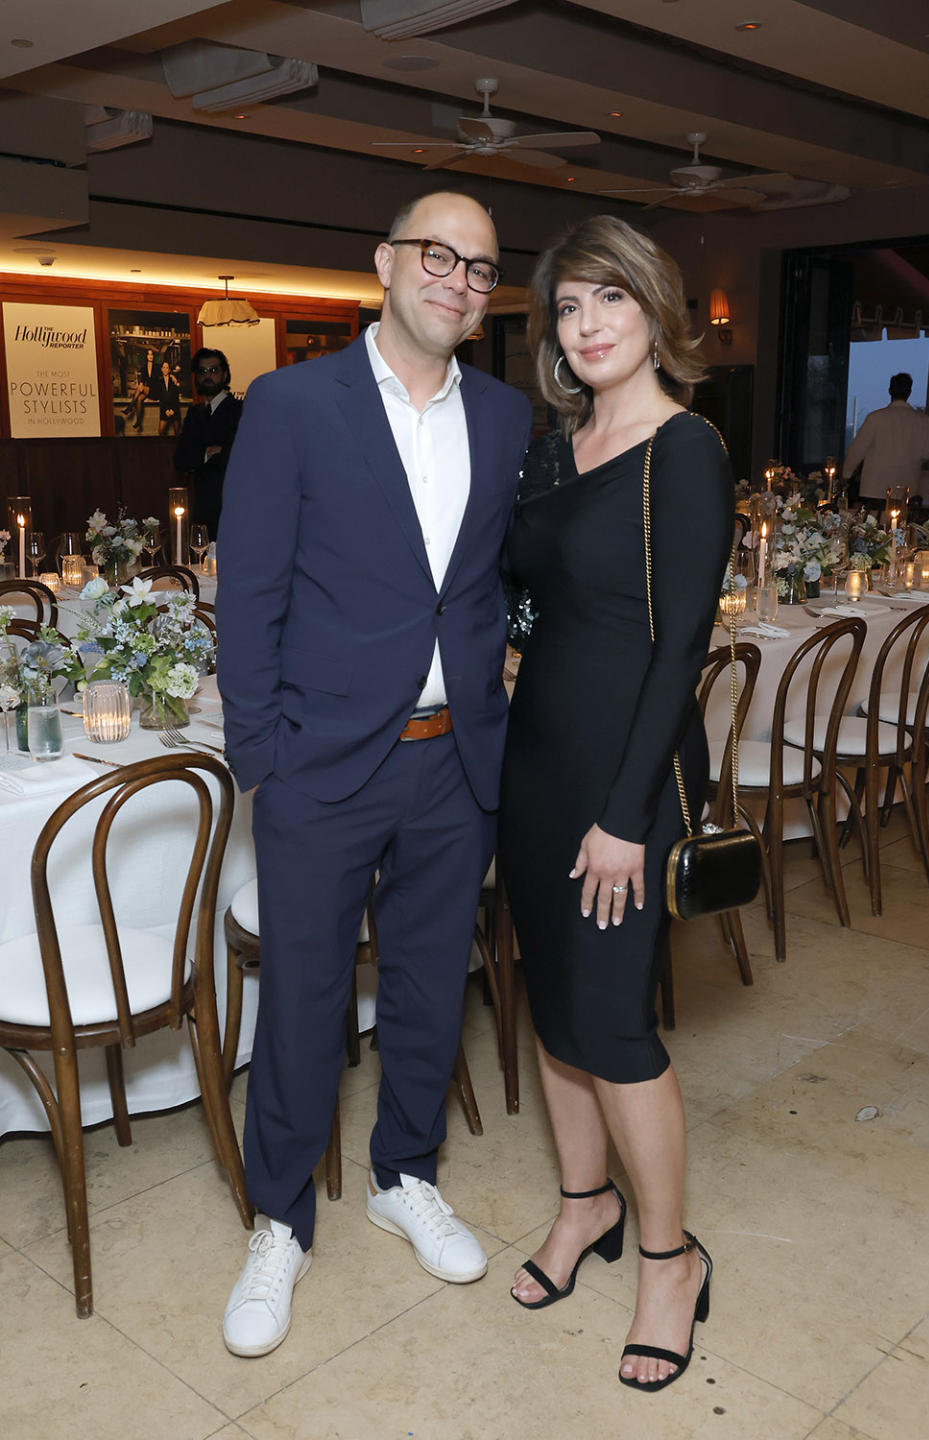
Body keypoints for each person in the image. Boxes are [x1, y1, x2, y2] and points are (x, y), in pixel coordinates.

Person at [216, 192, 531, 1357]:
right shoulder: (294, 403)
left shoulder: (503, 417)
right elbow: (247, 594)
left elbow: (494, 581)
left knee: (425, 985)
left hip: (454, 764)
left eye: (482, 268)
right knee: (300, 998)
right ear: (386, 262)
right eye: (438, 256)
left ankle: (406, 1173)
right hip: (323, 766)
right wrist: (268, 762)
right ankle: (280, 1221)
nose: (459, 279)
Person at [498, 215, 732, 1394]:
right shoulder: (554, 450)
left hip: (622, 778)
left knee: (617, 1029)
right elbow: (531, 601)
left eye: (610, 302)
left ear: (653, 311)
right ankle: (583, 1205)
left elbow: (679, 642)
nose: (586, 328)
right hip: (534, 768)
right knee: (553, 1011)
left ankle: (667, 1259)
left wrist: (629, 816)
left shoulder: (684, 450)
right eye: (568, 309)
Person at [174, 348, 243, 539]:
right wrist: (207, 454)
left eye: (213, 370)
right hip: (202, 507)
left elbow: (240, 456)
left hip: (234, 506)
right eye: (202, 372)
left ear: (225, 374)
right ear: (196, 377)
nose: (208, 376)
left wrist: (215, 454)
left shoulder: (239, 410)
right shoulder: (194, 413)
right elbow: (181, 460)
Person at [842, 372, 929, 502]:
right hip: (907, 488)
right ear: (909, 392)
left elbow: (857, 450)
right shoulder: (924, 421)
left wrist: (847, 474)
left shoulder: (875, 418)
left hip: (874, 488)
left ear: (890, 391)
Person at [155, 360, 181, 437]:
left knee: (177, 433)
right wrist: (166, 410)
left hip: (174, 409)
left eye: (167, 367)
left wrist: (172, 409)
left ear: (169, 370)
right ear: (161, 369)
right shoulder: (159, 381)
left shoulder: (173, 380)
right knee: (160, 432)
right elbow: (161, 398)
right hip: (164, 409)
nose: (165, 369)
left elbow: (176, 398)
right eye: (164, 367)